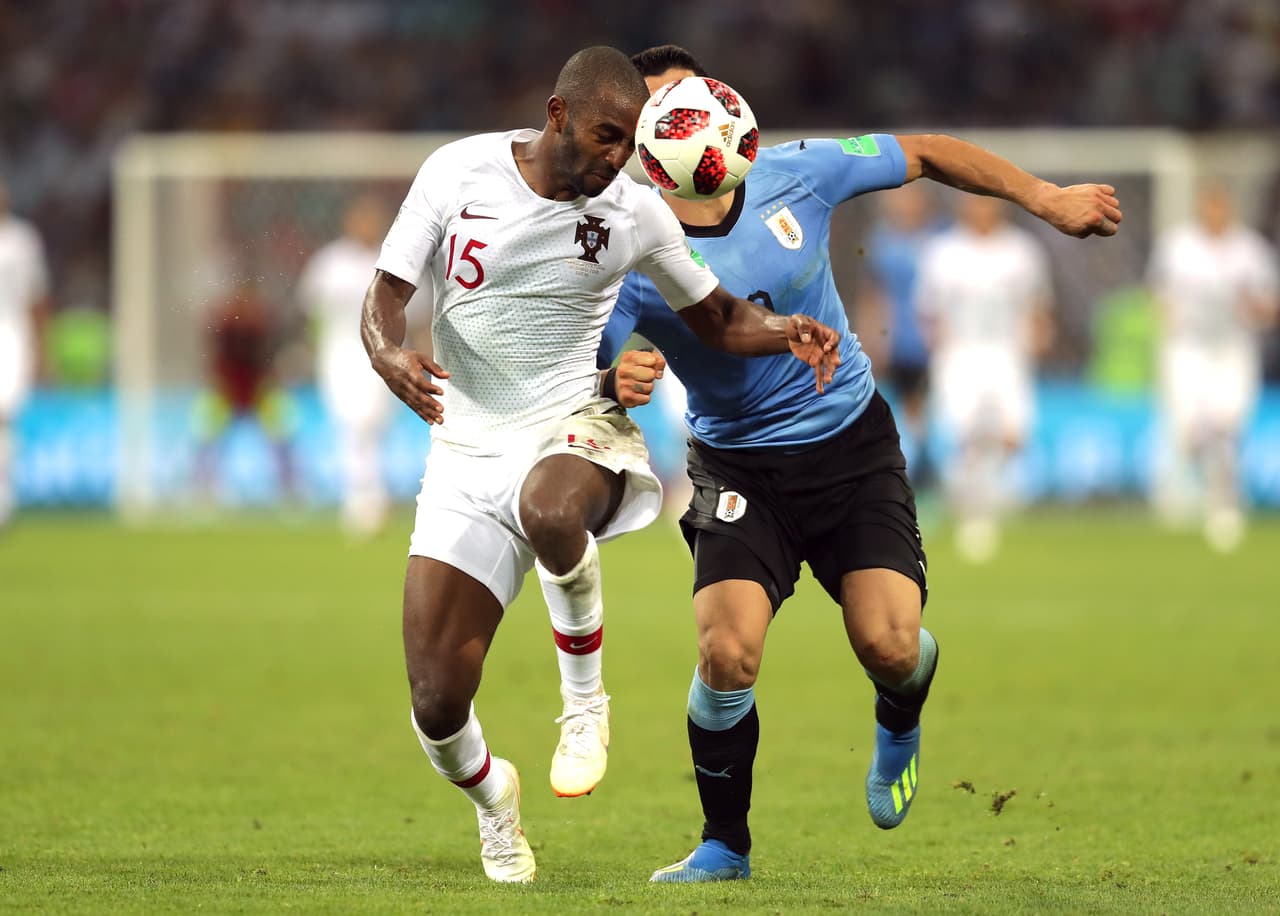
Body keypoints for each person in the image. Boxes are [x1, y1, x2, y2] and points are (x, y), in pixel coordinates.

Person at [599, 44, 1121, 883]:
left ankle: (900, 708)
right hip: (738, 468)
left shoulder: (796, 173)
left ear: (723, 112)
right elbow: (587, 366)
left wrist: (1042, 196)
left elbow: (927, 150)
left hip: (849, 449)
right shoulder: (622, 244)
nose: (679, 124)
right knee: (725, 652)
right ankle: (724, 845)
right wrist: (609, 378)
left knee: (889, 643)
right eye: (656, 113)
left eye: (687, 103)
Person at [360, 46, 841, 884]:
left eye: (630, 142)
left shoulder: (635, 213)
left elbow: (719, 317)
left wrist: (784, 330)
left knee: (552, 511)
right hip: (466, 452)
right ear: (556, 116)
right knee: (437, 706)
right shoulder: (456, 171)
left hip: (579, 426)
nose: (619, 158)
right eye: (605, 137)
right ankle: (493, 803)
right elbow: (386, 296)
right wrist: (385, 353)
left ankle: (585, 707)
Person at [915, 194, 1056, 562]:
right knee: (967, 435)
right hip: (960, 355)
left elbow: (1038, 304)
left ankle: (983, 500)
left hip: (1008, 353)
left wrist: (1039, 337)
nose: (981, 210)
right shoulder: (943, 252)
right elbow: (928, 310)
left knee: (1012, 437)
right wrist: (939, 349)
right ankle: (975, 515)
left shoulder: (1022, 252)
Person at [1147, 180, 1279, 551]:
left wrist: (1252, 306)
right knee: (1193, 435)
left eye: (1221, 207)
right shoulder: (1178, 246)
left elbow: (1269, 308)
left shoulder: (1250, 251)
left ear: (1229, 209)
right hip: (1187, 351)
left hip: (1232, 351)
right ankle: (1192, 492)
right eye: (1209, 206)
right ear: (1201, 208)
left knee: (1226, 430)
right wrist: (1167, 316)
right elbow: (1158, 295)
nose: (1214, 214)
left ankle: (1224, 506)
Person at [297, 193, 404, 535]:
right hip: (340, 352)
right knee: (353, 424)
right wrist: (310, 348)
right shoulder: (329, 263)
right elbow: (309, 311)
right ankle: (363, 502)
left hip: (383, 350)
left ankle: (368, 496)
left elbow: (413, 313)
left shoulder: (394, 261)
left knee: (372, 426)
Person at [856, 182, 947, 488]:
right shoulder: (882, 241)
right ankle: (915, 479)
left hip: (938, 340)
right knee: (907, 411)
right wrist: (872, 337)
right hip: (900, 341)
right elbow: (874, 294)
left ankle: (933, 475)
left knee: (937, 411)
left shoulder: (941, 238)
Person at [191, 277, 297, 502]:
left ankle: (289, 486)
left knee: (280, 437)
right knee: (209, 437)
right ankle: (203, 487)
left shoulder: (259, 321)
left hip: (258, 384)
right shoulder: (230, 321)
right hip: (227, 384)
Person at [0, 178, 52, 527]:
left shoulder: (22, 240)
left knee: (4, 418)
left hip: (11, 335)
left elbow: (37, 297)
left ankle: (4, 496)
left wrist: (41, 346)